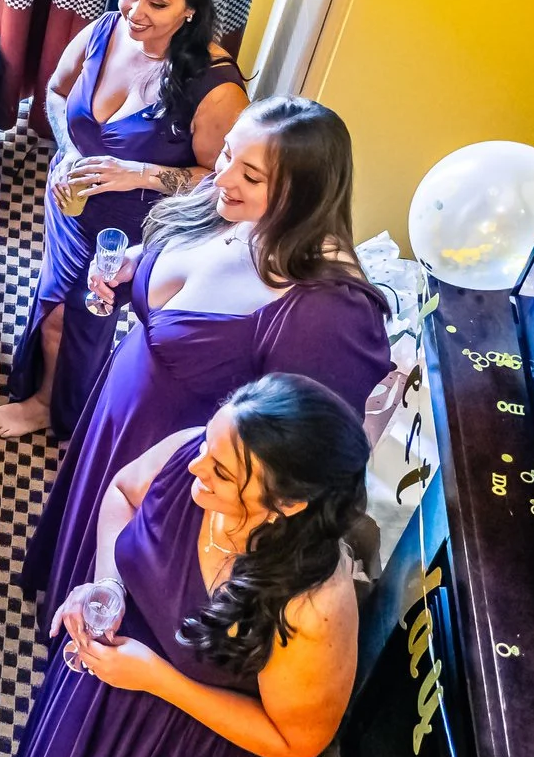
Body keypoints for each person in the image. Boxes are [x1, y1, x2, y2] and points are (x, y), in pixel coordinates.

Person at [0, 375, 370, 757]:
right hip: (107, 685)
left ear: (288, 504)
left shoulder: (314, 604)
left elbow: (296, 739)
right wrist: (109, 584)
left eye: (222, 471)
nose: (196, 461)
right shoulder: (190, 456)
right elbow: (122, 491)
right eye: (207, 443)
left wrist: (159, 680)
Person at [20, 96, 391, 603]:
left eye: (252, 175)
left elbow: (306, 454)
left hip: (176, 470)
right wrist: (134, 266)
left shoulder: (330, 313)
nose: (223, 178)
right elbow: (179, 271)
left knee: (114, 600)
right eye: (226, 155)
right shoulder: (224, 206)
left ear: (306, 194)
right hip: (117, 419)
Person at [0, 0, 247, 441]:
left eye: (158, 2)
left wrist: (138, 173)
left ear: (191, 9)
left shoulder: (216, 91)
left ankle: (49, 407)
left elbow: (220, 185)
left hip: (133, 229)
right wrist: (70, 149)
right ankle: (46, 391)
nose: (135, 11)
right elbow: (57, 95)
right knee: (56, 304)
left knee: (74, 321)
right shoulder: (104, 30)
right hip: (70, 202)